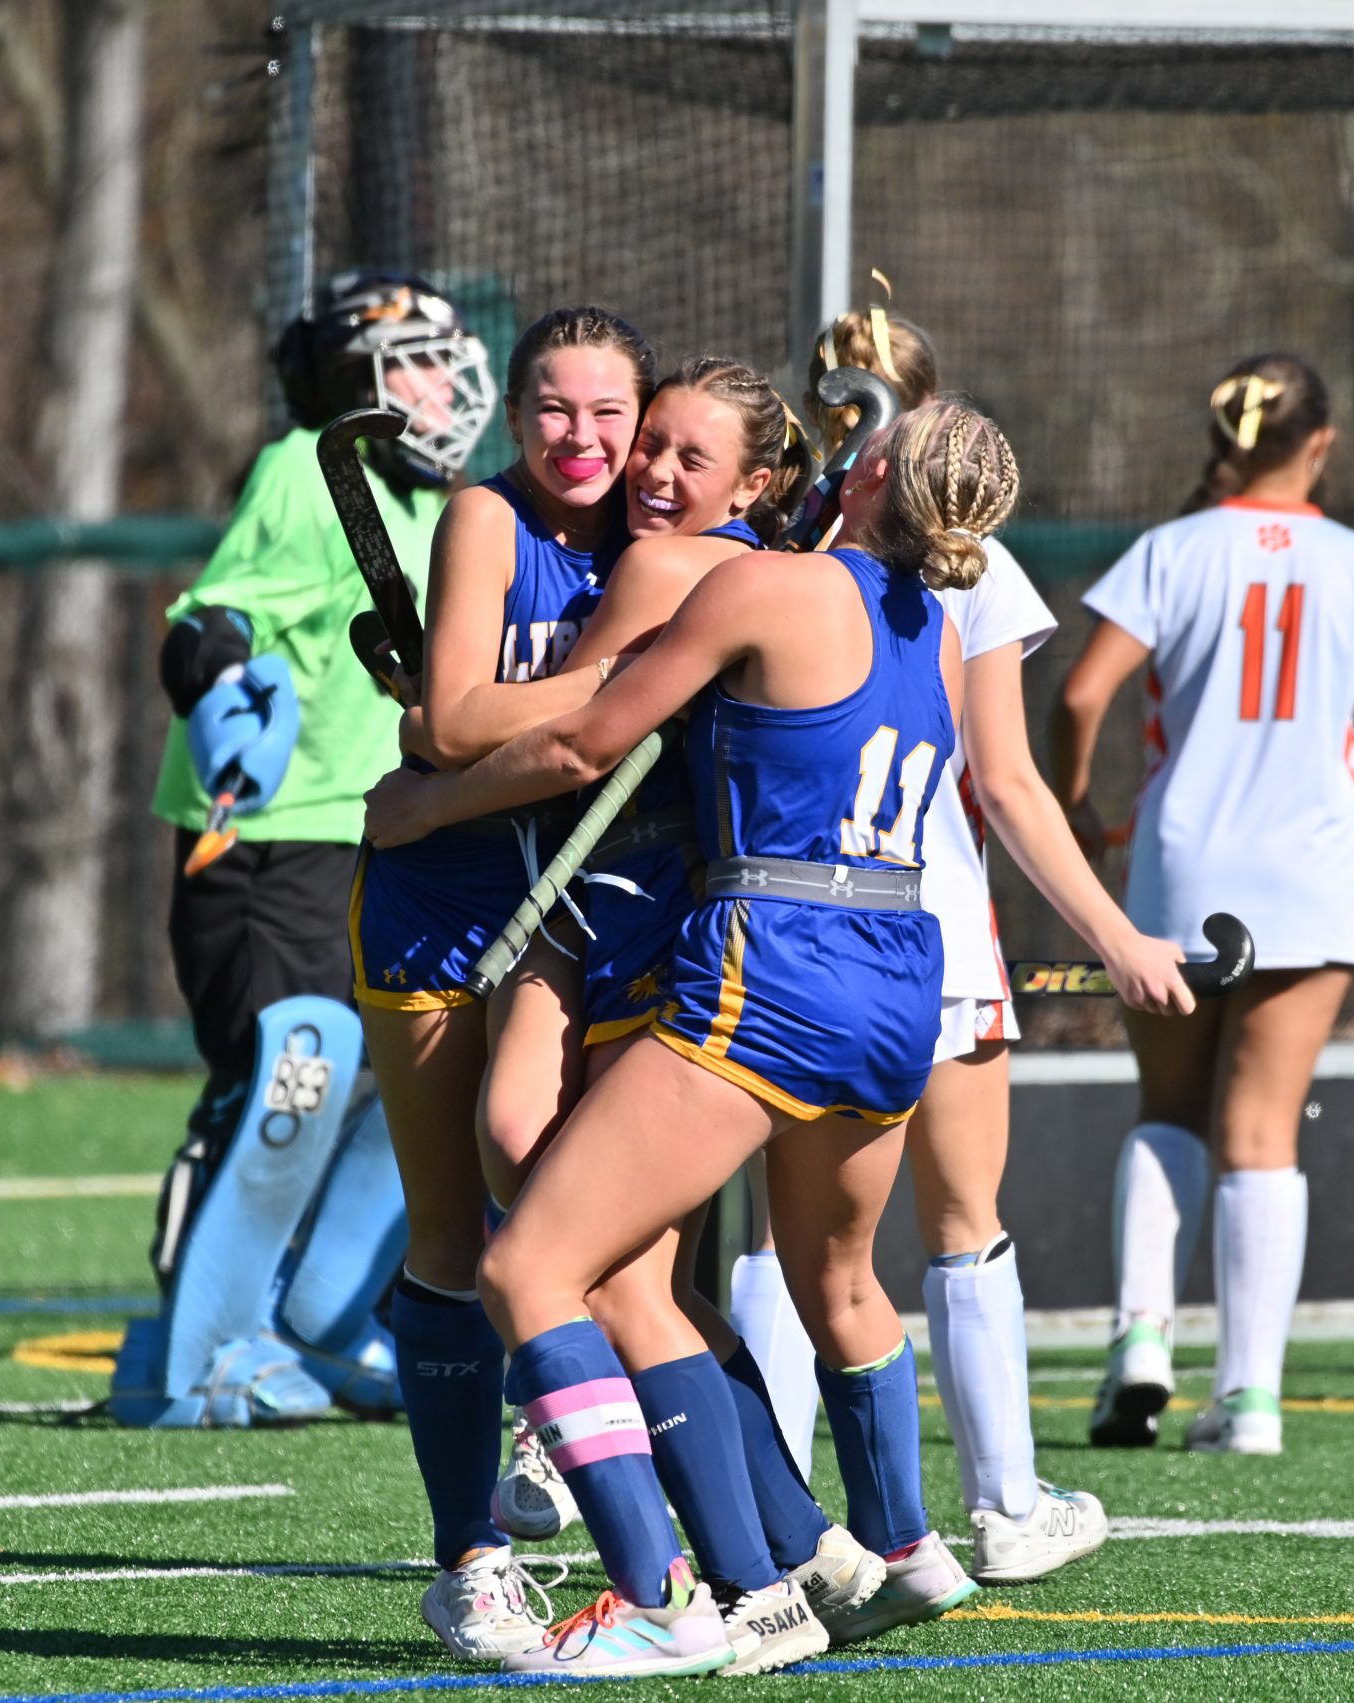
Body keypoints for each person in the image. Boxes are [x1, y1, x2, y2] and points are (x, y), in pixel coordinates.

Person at [370, 399, 1195, 1680]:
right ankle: (888, 1546)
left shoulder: (768, 587)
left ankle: (659, 1595)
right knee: (839, 1280)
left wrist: (426, 781)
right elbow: (991, 782)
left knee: (531, 1268)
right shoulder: (935, 621)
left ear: (859, 475)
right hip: (900, 979)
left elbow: (590, 735)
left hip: (778, 966)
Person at [403, 356, 883, 1676]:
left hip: (668, 928)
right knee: (556, 1202)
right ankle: (809, 1542)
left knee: (600, 1269)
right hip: (597, 917)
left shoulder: (681, 571)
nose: (647, 472)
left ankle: (741, 1577)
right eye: (645, 443)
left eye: (681, 452)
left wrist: (433, 762)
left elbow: (557, 727)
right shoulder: (717, 563)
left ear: (759, 482)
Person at [730, 299, 1182, 1583]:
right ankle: (1005, 1503)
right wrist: (1114, 936)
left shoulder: (774, 547)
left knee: (785, 1239)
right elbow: (1010, 785)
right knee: (959, 1220)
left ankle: (776, 1516)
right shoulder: (966, 561)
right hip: (925, 936)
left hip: (778, 920)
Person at [1050, 354, 1354, 1457]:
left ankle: (1139, 1338)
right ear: (1321, 442)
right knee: (1260, 1129)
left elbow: (1083, 691)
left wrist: (1073, 807)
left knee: (1166, 1106)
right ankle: (1248, 1398)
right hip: (1309, 875)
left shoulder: (1170, 549)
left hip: (1179, 868)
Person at [110, 270, 495, 1431]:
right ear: (354, 380)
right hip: (269, 846)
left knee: (395, 1085)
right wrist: (222, 684)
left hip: (381, 838)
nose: (441, 386)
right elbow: (209, 619)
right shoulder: (306, 468)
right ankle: (195, 1347)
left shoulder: (444, 507)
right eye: (415, 361)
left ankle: (312, 1321)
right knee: (285, 1076)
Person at [354, 304, 651, 1661]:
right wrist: (619, 689)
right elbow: (459, 710)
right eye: (554, 407)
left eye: (608, 411)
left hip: (587, 916)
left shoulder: (674, 531)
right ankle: (471, 1553)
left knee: (589, 1221)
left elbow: (464, 731)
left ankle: (707, 1534)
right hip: (439, 904)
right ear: (513, 411)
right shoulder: (484, 517)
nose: (581, 438)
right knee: (448, 1238)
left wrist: (447, 771)